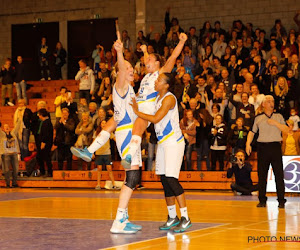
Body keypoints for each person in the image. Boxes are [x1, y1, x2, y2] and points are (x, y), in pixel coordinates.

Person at [73, 36, 143, 234]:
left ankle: (123, 218)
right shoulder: (121, 87)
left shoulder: (128, 90)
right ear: (119, 72)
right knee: (133, 175)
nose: (131, 70)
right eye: (127, 68)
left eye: (132, 68)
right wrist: (119, 53)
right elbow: (121, 69)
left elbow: (115, 121)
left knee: (133, 176)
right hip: (128, 134)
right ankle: (119, 220)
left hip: (125, 131)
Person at [131, 72, 192, 232]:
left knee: (171, 179)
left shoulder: (170, 98)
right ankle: (172, 217)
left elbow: (156, 118)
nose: (156, 82)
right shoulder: (158, 98)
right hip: (163, 142)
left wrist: (137, 112)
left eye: (159, 80)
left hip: (174, 142)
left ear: (166, 85)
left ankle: (185, 217)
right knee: (164, 180)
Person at [246, 95, 288, 208]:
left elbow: (286, 129)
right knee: (262, 174)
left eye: (272, 101)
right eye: (268, 101)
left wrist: (276, 124)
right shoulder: (258, 118)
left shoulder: (278, 116)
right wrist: (248, 143)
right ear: (263, 104)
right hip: (262, 147)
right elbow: (252, 132)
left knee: (279, 174)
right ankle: (262, 200)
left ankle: (281, 200)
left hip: (275, 147)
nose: (271, 103)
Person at [94, 120, 119, 190]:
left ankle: (113, 184)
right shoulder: (96, 132)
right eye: (102, 123)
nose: (104, 124)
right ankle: (98, 184)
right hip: (99, 152)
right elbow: (94, 142)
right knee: (99, 169)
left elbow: (115, 139)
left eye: (105, 123)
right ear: (100, 125)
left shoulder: (109, 132)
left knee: (109, 168)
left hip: (107, 153)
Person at [0, 121, 21, 188]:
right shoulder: (2, 135)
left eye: (8, 126)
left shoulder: (13, 134)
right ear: (3, 128)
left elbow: (17, 127)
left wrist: (20, 118)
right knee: (6, 170)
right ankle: (8, 184)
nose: (7, 127)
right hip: (6, 154)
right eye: (5, 127)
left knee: (16, 169)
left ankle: (14, 183)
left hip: (14, 154)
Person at [36, 108, 53, 177]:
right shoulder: (46, 122)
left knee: (46, 157)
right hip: (45, 142)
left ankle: (49, 172)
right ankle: (43, 171)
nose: (38, 116)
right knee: (40, 157)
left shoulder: (47, 122)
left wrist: (43, 142)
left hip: (46, 143)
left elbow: (46, 134)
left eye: (39, 114)